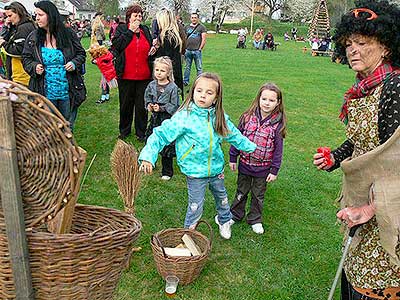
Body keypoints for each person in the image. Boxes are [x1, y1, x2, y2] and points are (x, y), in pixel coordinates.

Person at [312, 1, 400, 299]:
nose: (353, 50)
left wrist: (371, 209)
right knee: (353, 268)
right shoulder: (363, 87)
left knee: (376, 282)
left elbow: (397, 163)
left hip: (389, 208)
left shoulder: (395, 87)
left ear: (386, 46)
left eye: (362, 42)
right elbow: (361, 140)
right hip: (362, 198)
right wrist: (335, 156)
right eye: (349, 43)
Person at [139, 73, 256, 239]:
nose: (203, 95)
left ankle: (224, 220)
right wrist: (148, 156)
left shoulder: (219, 117)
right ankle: (189, 234)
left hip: (216, 169)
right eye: (199, 90)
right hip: (194, 172)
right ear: (192, 92)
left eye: (209, 93)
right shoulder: (184, 117)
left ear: (216, 98)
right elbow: (160, 135)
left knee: (222, 198)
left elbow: (234, 135)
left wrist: (251, 147)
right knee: (195, 206)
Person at [230, 83, 286, 234]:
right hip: (245, 164)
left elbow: (278, 150)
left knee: (258, 194)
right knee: (241, 190)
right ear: (259, 99)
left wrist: (274, 170)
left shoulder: (278, 125)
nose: (267, 103)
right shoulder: (247, 117)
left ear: (278, 102)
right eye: (264, 99)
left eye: (271, 100)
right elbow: (237, 138)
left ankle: (255, 219)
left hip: (263, 168)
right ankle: (235, 214)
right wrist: (233, 157)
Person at [22, 0, 86, 130]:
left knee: (67, 128)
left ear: (50, 15)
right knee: (49, 130)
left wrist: (74, 63)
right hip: (44, 92)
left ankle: (68, 150)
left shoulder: (68, 34)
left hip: (68, 92)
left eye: (40, 15)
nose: (37, 18)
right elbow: (26, 58)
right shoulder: (33, 37)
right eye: (36, 15)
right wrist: (34, 66)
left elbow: (81, 54)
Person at [111, 4, 156, 141]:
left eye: (140, 15)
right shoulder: (122, 29)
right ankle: (124, 131)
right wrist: (130, 31)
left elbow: (149, 47)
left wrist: (153, 51)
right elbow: (117, 46)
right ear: (129, 17)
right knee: (126, 104)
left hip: (144, 75)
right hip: (126, 75)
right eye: (135, 15)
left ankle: (141, 132)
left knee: (142, 106)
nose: (139, 18)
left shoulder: (145, 30)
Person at [144, 56, 180, 181]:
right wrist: (149, 105)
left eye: (162, 71)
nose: (159, 73)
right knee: (151, 141)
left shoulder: (173, 87)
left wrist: (162, 108)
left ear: (168, 72)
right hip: (154, 119)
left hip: (167, 120)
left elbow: (175, 105)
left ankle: (167, 171)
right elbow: (147, 97)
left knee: (166, 145)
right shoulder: (151, 85)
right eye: (157, 70)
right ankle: (149, 163)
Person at [0, 2, 36, 85]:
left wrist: (4, 43)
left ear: (18, 13)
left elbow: (19, 50)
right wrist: (6, 26)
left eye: (10, 16)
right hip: (20, 75)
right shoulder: (20, 26)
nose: (8, 19)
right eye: (6, 17)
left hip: (23, 76)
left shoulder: (24, 28)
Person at [154, 8, 185, 101]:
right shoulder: (175, 35)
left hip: (167, 76)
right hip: (175, 73)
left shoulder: (166, 36)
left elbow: (164, 58)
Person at [183, 12, 206, 86]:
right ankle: (185, 81)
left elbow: (203, 39)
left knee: (199, 67)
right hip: (188, 50)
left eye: (195, 17)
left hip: (196, 50)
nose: (194, 19)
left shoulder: (201, 27)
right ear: (190, 18)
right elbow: (183, 38)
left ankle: (200, 81)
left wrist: (200, 48)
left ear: (198, 18)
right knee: (187, 67)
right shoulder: (186, 27)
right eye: (192, 17)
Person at [91, 12, 109, 104]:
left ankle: (105, 95)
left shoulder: (94, 23)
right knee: (104, 74)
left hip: (95, 44)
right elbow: (102, 33)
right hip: (99, 43)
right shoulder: (100, 24)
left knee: (104, 74)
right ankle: (105, 95)